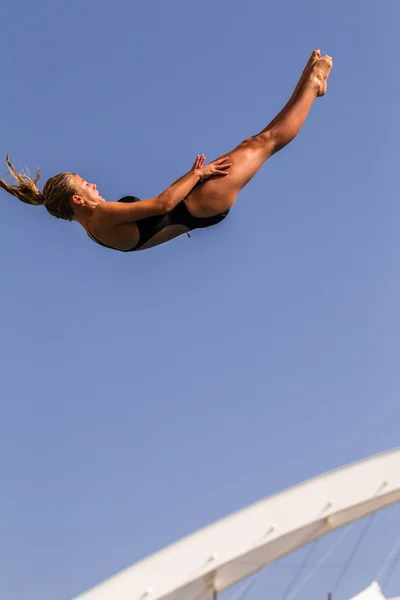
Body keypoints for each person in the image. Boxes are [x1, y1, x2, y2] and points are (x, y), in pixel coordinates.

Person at [0, 50, 332, 252]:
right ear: (78, 200)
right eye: (86, 184)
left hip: (195, 205)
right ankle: (312, 85)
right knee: (265, 143)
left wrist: (191, 177)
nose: (94, 185)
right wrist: (198, 175)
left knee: (255, 143)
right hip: (198, 204)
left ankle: (307, 87)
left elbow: (157, 215)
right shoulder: (99, 216)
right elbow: (163, 205)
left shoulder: (94, 230)